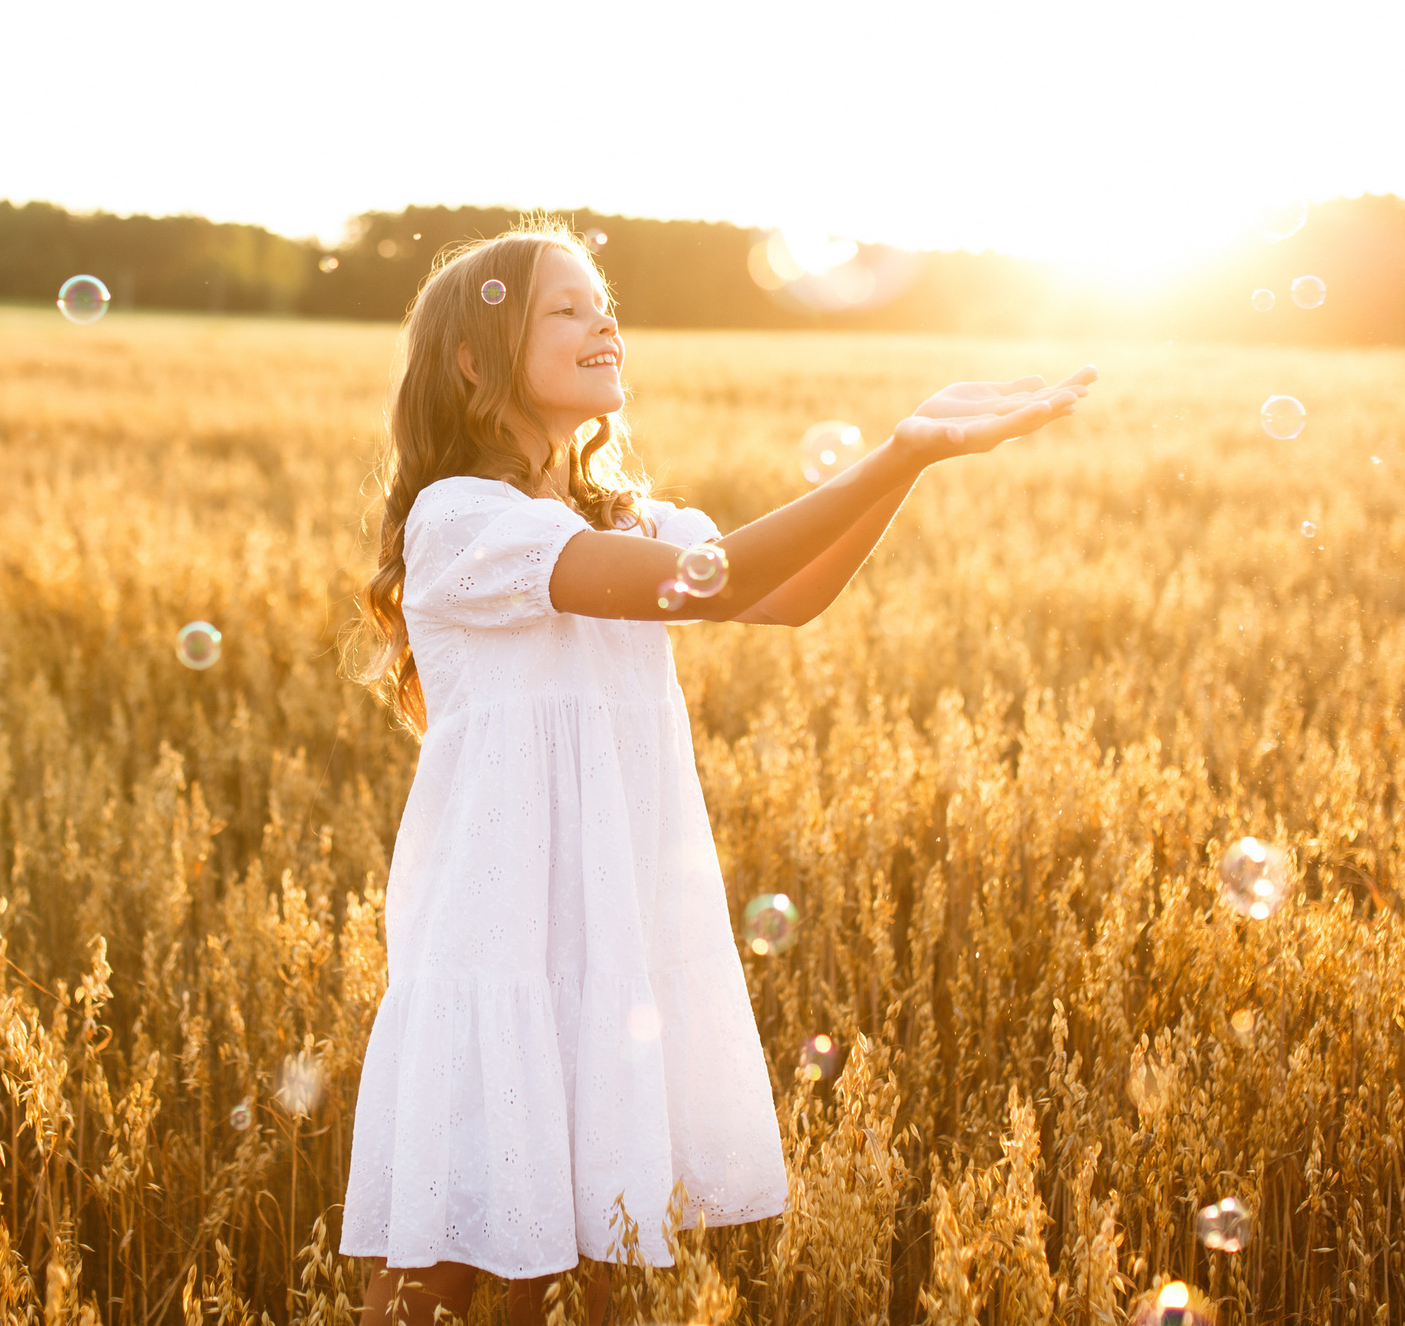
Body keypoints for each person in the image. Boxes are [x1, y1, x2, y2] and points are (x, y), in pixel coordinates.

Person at [342, 225, 1092, 1325]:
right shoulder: (462, 521)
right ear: (470, 360)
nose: (606, 322)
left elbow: (783, 594)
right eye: (567, 308)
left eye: (606, 304)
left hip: (609, 930)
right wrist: (896, 451)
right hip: (499, 936)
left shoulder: (624, 515)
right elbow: (712, 581)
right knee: (451, 1263)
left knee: (594, 1252)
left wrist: (915, 457)